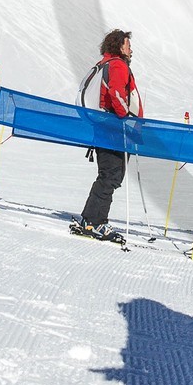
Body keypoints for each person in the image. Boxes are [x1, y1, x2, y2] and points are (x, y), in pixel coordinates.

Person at [71, 29, 143, 244]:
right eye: (128, 46)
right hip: (113, 127)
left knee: (109, 174)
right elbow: (117, 94)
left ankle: (91, 219)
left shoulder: (105, 63)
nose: (131, 50)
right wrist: (125, 119)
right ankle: (94, 221)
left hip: (104, 126)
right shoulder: (118, 65)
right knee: (111, 175)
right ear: (119, 46)